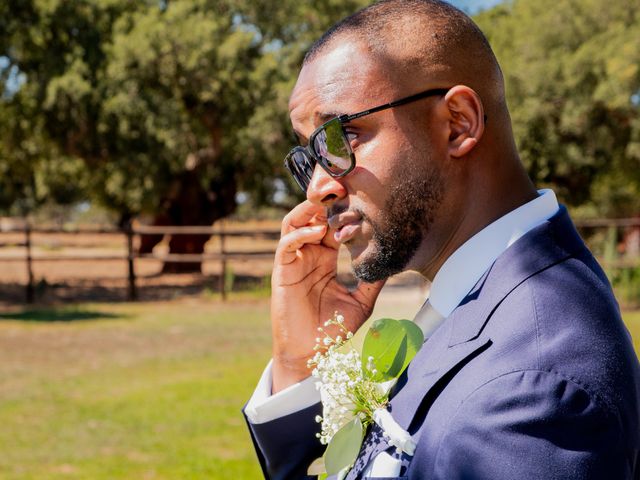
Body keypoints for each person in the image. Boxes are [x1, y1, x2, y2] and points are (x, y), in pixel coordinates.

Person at [243, 1, 640, 478]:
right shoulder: (477, 301)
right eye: (310, 156)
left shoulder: (532, 388)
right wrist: (298, 361)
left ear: (458, 122)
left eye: (342, 137)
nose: (318, 187)